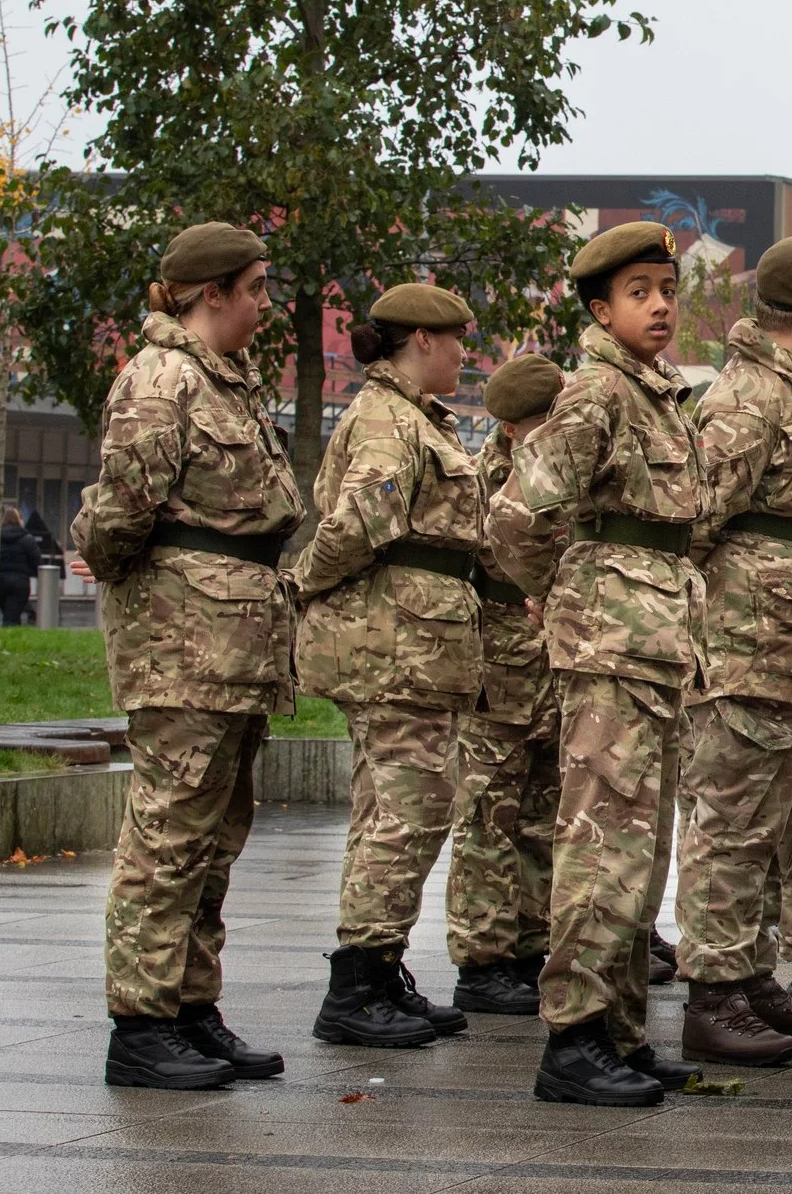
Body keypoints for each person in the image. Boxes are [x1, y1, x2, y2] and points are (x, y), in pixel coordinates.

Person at [77, 222, 302, 1090]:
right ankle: (140, 1022)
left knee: (215, 837)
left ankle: (189, 1006)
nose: (265, 302)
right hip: (182, 643)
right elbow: (124, 510)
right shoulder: (159, 378)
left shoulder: (229, 381)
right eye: (254, 287)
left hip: (235, 643)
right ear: (212, 293)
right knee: (168, 834)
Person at [488, 220, 708, 1107]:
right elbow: (515, 517)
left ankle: (617, 1031)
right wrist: (562, 592)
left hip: (653, 644)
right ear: (598, 308)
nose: (659, 306)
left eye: (666, 289)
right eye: (638, 293)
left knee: (641, 853)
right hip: (611, 646)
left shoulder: (654, 394)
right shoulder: (594, 396)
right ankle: (572, 1037)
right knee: (598, 848)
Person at [672, 237, 792, 1067]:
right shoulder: (747, 397)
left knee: (771, 822)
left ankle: (749, 978)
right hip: (753, 645)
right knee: (730, 821)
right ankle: (712, 993)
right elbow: (696, 515)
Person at [292, 283, 487, 1050]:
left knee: (394, 807)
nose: (464, 353)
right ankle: (357, 983)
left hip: (417, 645)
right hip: (395, 647)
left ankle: (376, 967)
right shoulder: (386, 419)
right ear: (420, 339)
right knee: (408, 808)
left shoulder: (409, 417)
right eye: (455, 338)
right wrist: (305, 576)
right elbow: (362, 521)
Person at [446, 354, 568, 1022]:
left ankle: (530, 940)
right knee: (489, 812)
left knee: (544, 812)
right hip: (501, 663)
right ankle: (481, 957)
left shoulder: (556, 465)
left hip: (548, 662)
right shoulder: (487, 475)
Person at [0, 505, 36, 626]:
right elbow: (36, 561)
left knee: (8, 614)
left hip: (0, 581)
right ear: (18, 520)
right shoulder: (27, 539)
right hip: (20, 582)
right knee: (13, 615)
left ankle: (12, 635)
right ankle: (10, 637)